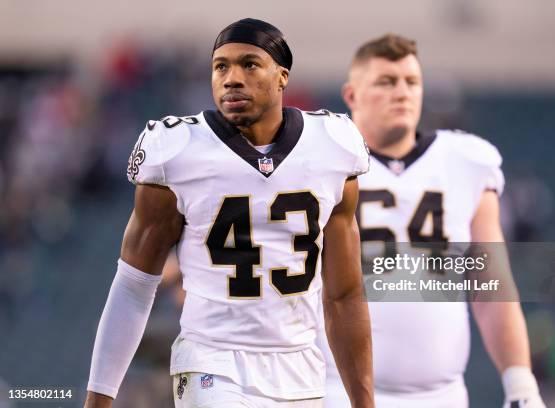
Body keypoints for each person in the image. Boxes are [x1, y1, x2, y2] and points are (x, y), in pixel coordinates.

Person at [84, 18, 374, 408]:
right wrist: (98, 400)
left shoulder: (332, 147)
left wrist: (365, 402)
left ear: (282, 76)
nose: (232, 78)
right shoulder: (176, 150)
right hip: (210, 359)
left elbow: (344, 295)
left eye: (249, 64)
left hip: (300, 367)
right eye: (221, 66)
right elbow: (134, 286)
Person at [320, 34, 546, 407]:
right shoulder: (322, 161)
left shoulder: (466, 161)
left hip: (440, 395)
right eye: (386, 82)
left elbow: (491, 286)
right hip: (335, 389)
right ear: (352, 95)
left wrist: (521, 383)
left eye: (412, 82)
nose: (402, 93)